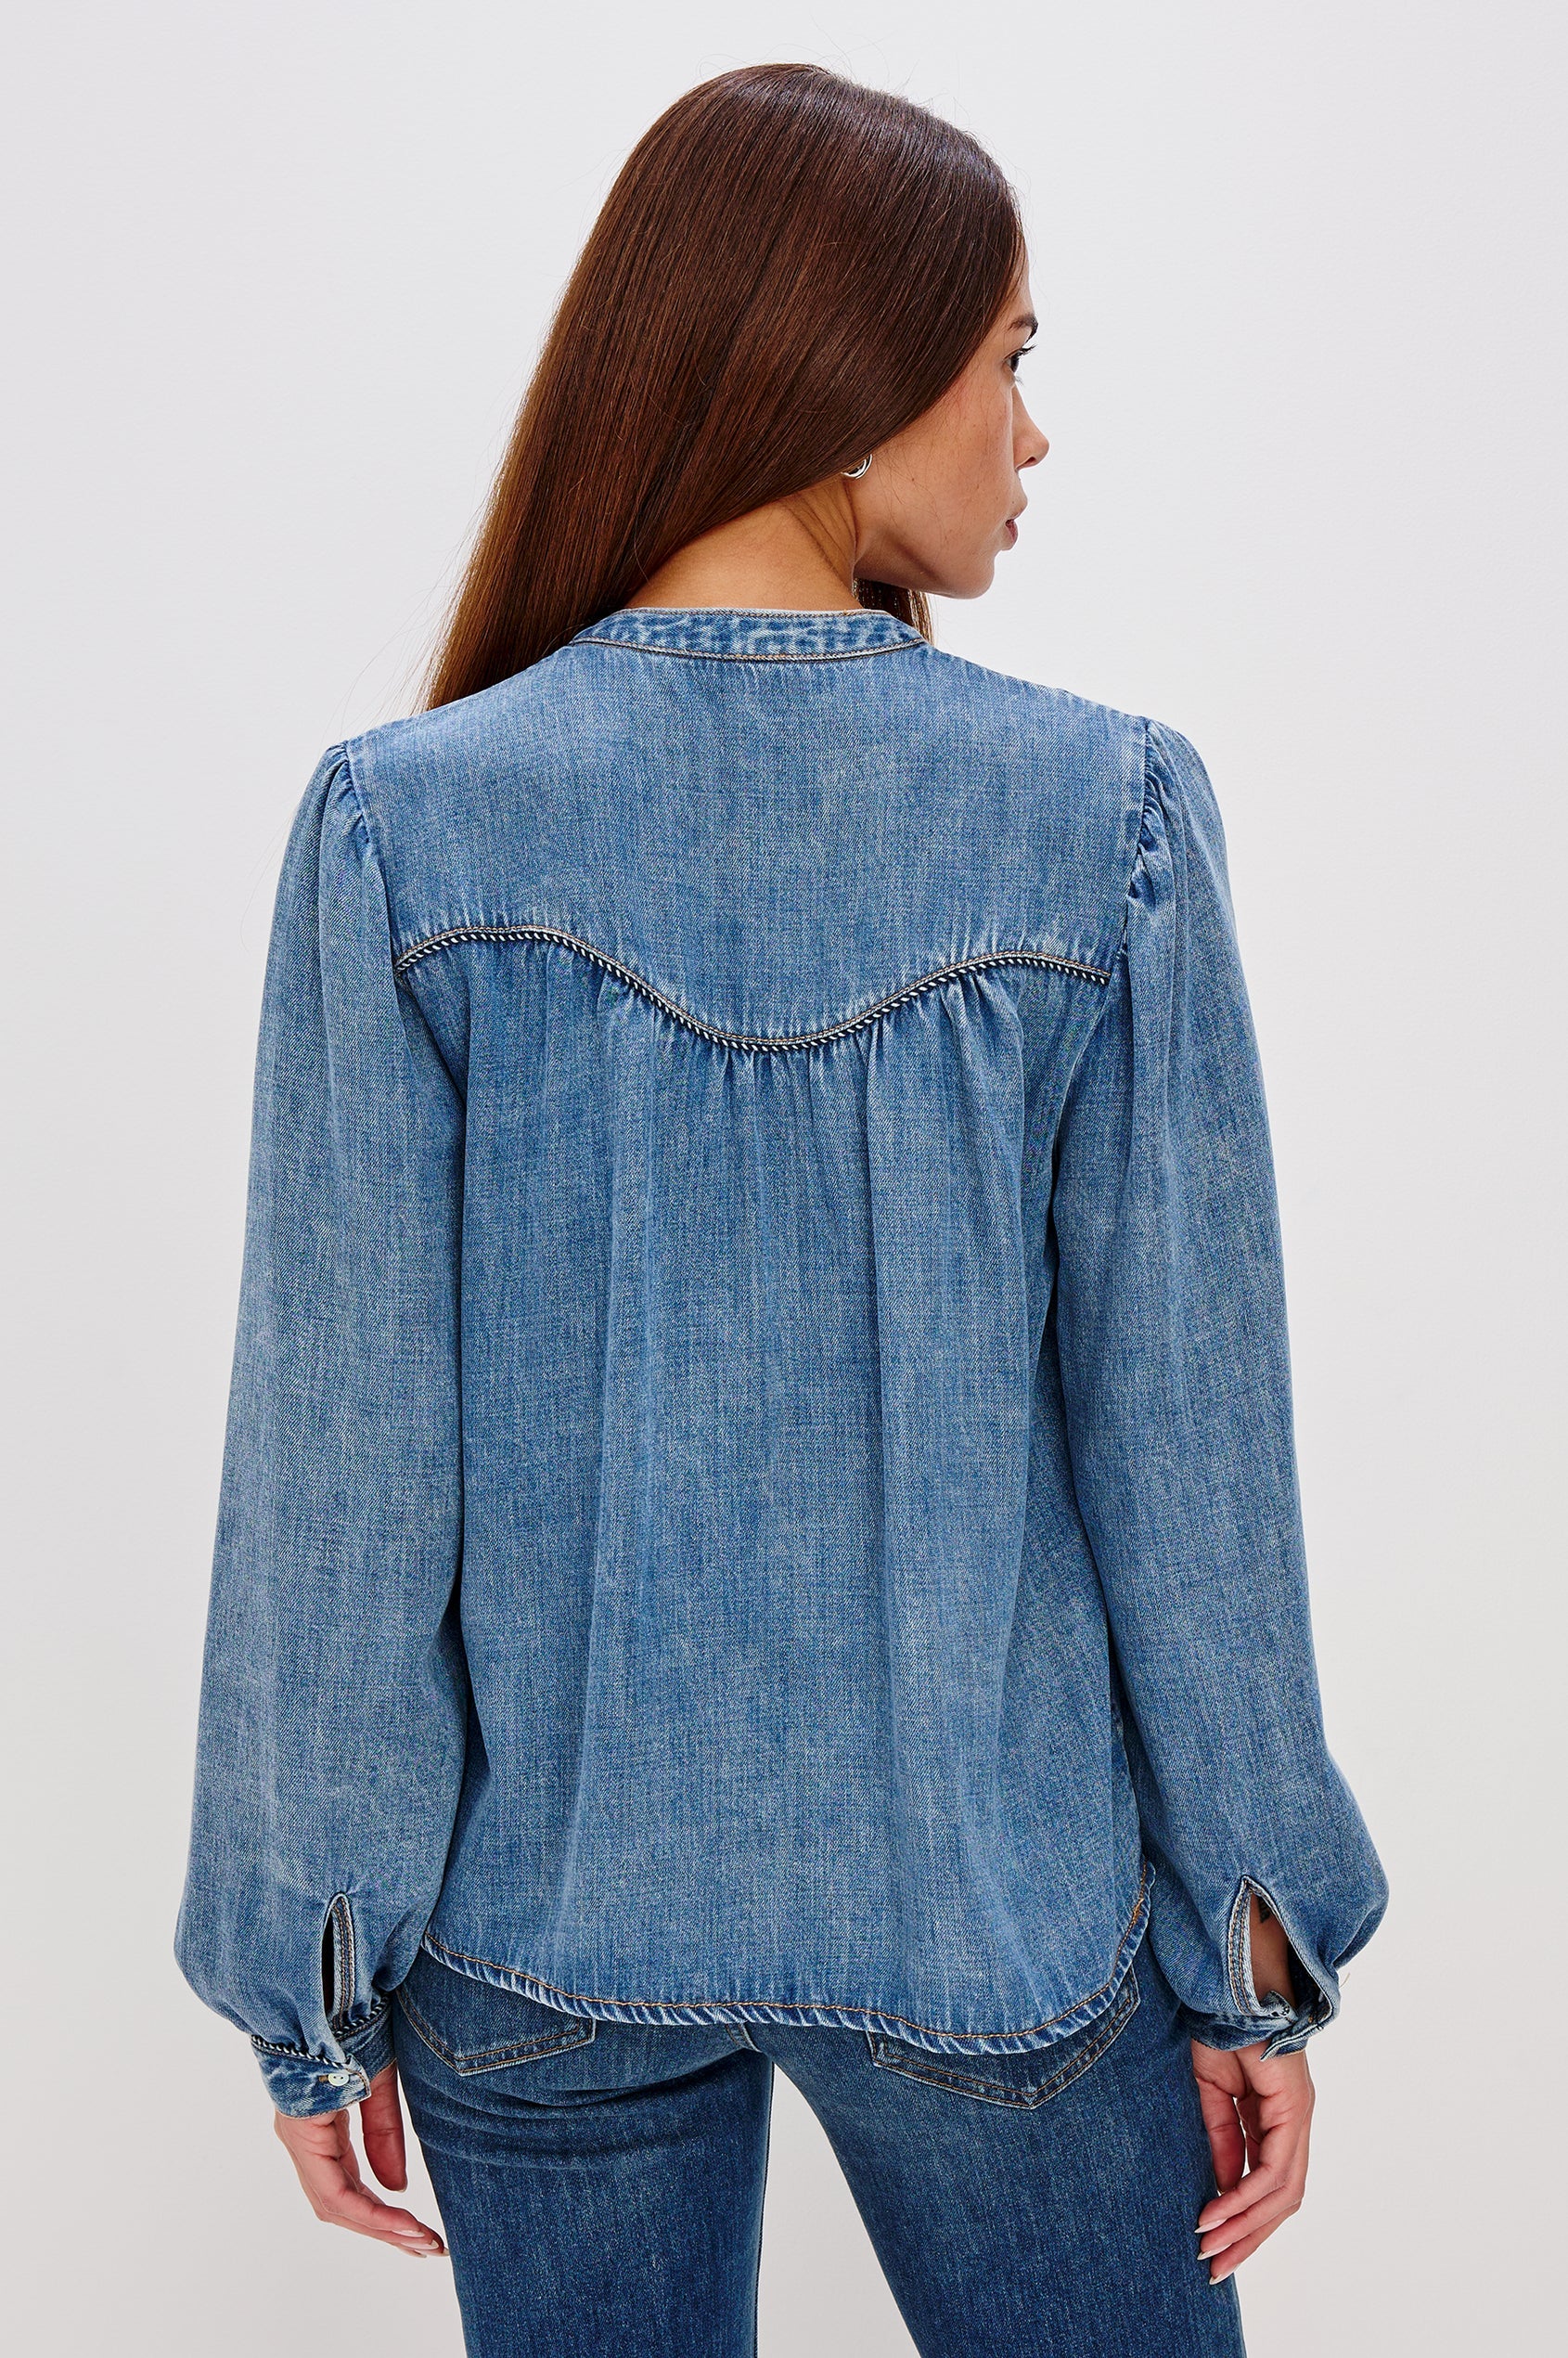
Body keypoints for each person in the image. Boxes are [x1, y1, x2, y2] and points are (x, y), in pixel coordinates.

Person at [174, 62, 1388, 2358]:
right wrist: (1248, 1926)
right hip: (992, 1920)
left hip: (538, 1940)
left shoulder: (402, 830)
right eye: (1006, 359)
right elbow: (1184, 1451)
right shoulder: (1101, 821)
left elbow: (342, 1468)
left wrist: (310, 1959)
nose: (1030, 434)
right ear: (848, 366)